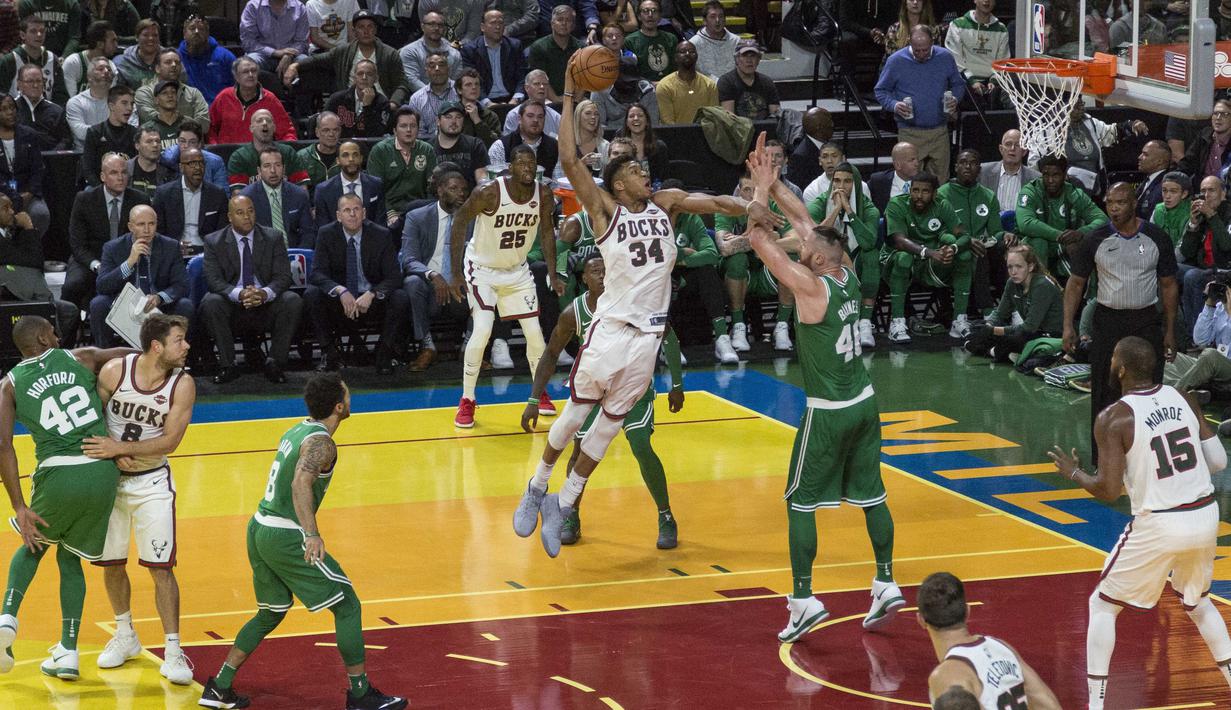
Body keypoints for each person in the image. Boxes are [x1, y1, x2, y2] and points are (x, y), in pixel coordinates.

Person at [513, 57, 781, 558]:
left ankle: (564, 504)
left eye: (644, 167)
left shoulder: (667, 203)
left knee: (610, 429)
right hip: (612, 327)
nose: (645, 173)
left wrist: (751, 206)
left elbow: (717, 203)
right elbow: (571, 164)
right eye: (637, 170)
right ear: (618, 184)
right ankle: (537, 486)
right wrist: (569, 95)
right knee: (575, 418)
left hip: (650, 338)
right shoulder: (606, 211)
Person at [742, 134, 904, 641]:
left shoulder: (809, 288)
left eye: (807, 248)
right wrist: (774, 182)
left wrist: (758, 198)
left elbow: (759, 240)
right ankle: (885, 582)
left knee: (799, 502)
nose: (803, 242)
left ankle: (804, 598)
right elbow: (803, 223)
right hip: (865, 401)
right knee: (873, 495)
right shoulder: (847, 274)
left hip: (828, 410)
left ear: (817, 260)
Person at [197, 374, 408, 710]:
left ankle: (219, 687)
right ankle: (360, 695)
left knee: (270, 612)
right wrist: (311, 533)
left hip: (259, 526)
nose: (351, 397)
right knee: (348, 604)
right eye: (348, 393)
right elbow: (299, 483)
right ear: (339, 406)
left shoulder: (297, 429)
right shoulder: (323, 443)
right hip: (285, 533)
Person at [1049, 336, 1231, 710]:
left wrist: (1075, 473)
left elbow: (1109, 490)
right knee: (1197, 604)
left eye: (1113, 357)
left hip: (1161, 523)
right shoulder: (1183, 397)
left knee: (1102, 604)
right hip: (1204, 513)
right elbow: (1218, 462)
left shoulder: (1114, 417)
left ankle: (1096, 706)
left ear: (1120, 369)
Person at [522, 254, 685, 547]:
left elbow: (668, 337)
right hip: (597, 390)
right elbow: (550, 354)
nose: (600, 275)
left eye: (605, 270)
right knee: (577, 450)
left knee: (640, 445)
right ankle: (569, 513)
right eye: (594, 271)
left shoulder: (635, 301)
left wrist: (676, 384)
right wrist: (534, 398)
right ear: (584, 279)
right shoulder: (574, 313)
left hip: (633, 388)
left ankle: (666, 516)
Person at [0, 316, 130, 681]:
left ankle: (7, 616)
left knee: (33, 542)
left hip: (59, 472)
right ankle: (68, 651)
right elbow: (132, 358)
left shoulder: (9, 385)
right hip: (102, 470)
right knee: (70, 558)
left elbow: (3, 445)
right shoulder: (81, 357)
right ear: (44, 337)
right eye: (54, 332)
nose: (57, 336)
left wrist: (19, 505)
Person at [79, 314, 194, 685]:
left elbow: (171, 442)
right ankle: (125, 634)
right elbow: (89, 418)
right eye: (179, 340)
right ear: (156, 346)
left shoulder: (183, 384)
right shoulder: (115, 371)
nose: (187, 346)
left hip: (151, 483)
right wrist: (113, 454)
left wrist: (122, 446)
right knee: (111, 563)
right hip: (109, 481)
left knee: (161, 568)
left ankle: (174, 649)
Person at [1063, 183, 1179, 464]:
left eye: (1120, 202)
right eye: (1109, 203)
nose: (1114, 208)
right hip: (1108, 321)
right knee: (1104, 392)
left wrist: (1170, 332)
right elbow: (1076, 284)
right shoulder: (1095, 238)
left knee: (1149, 390)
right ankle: (1104, 460)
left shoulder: (1156, 237)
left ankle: (1149, 458)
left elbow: (1169, 285)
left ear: (1134, 203)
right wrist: (1068, 326)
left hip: (1145, 321)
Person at [446, 145, 559, 428]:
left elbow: (546, 231)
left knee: (535, 335)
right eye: (522, 164)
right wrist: (456, 273)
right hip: (482, 269)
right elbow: (459, 222)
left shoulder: (543, 194)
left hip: (517, 272)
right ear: (510, 167)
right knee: (482, 329)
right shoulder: (489, 192)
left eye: (532, 164)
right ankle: (467, 399)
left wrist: (554, 273)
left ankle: (537, 394)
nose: (528, 169)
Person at [200, 195, 304, 385]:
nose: (247, 217)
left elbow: (283, 277)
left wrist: (264, 293)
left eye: (250, 211)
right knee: (211, 301)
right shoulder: (213, 241)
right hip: (233, 306)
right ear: (229, 217)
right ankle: (228, 365)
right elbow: (214, 281)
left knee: (292, 300)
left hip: (265, 305)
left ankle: (275, 363)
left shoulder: (273, 237)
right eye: (240, 213)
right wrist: (240, 294)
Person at [917, 571, 1060, 708]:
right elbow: (1048, 704)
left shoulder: (947, 676)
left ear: (921, 620)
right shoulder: (1001, 647)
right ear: (967, 612)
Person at [307, 193, 409, 374]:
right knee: (312, 294)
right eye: (347, 210)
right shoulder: (326, 234)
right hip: (341, 301)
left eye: (356, 210)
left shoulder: (381, 235)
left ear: (364, 213)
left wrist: (373, 294)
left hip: (370, 300)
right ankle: (328, 353)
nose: (352, 214)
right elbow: (316, 274)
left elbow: (394, 276)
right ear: (339, 216)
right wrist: (340, 290)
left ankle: (385, 352)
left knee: (400, 297)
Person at [881, 172, 972, 344]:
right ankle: (897, 322)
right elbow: (898, 241)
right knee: (903, 258)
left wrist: (953, 248)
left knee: (965, 255)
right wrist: (928, 252)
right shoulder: (897, 204)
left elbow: (964, 236)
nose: (919, 196)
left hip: (929, 261)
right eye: (915, 190)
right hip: (895, 261)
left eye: (925, 191)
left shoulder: (942, 205)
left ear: (935, 193)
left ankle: (959, 320)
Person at [400, 163, 473, 373]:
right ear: (440, 190)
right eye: (453, 188)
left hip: (462, 288)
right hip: (430, 287)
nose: (460, 194)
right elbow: (409, 259)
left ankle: (470, 347)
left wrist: (460, 278)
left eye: (464, 190)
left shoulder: (473, 219)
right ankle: (427, 347)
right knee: (412, 282)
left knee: (487, 283)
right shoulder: (417, 217)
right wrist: (433, 275)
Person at [89, 204, 195, 345]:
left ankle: (179, 358)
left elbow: (182, 285)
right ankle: (105, 357)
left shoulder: (170, 246)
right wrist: (129, 263)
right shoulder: (113, 247)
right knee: (98, 304)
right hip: (125, 306)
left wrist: (159, 297)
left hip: (158, 306)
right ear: (130, 226)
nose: (147, 230)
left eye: (151, 224)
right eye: (141, 224)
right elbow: (102, 286)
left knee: (185, 305)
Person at [874, 25, 965, 182]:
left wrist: (955, 99)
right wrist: (894, 105)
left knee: (941, 182)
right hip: (909, 132)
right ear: (909, 42)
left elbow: (958, 84)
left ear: (933, 42)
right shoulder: (896, 61)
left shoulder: (945, 57)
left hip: (939, 132)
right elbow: (880, 90)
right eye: (917, 50)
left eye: (926, 50)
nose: (922, 54)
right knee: (910, 182)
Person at [66, 153, 152, 310]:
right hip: (91, 259)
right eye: (114, 173)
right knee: (73, 285)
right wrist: (97, 265)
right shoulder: (84, 199)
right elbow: (77, 244)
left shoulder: (140, 200)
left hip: (128, 260)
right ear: (102, 176)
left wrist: (127, 263)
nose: (120, 177)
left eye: (124, 172)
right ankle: (70, 329)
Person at [809, 161, 879, 348]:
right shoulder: (820, 201)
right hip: (826, 261)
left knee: (871, 255)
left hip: (856, 258)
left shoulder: (868, 207)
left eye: (847, 181)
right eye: (837, 181)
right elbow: (813, 239)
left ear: (855, 184)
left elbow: (868, 242)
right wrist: (836, 210)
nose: (841, 186)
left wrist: (849, 211)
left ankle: (865, 323)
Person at [283, 9, 410, 110]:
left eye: (370, 26)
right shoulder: (343, 51)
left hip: (381, 106)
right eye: (361, 27)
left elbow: (401, 84)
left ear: (376, 30)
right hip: (348, 106)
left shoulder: (389, 53)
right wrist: (294, 66)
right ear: (354, 31)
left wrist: (392, 104)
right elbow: (317, 60)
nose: (366, 31)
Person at [964, 245, 1064, 362]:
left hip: (1049, 335)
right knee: (975, 331)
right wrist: (988, 326)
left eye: (1018, 266)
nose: (1013, 272)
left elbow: (1029, 327)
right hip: (1029, 333)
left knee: (1013, 339)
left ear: (1030, 266)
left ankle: (993, 351)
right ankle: (1003, 352)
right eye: (1010, 267)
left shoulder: (1041, 286)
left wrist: (993, 331)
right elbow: (1000, 313)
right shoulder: (1012, 283)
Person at [940, 148, 1011, 313]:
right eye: (963, 163)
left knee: (1009, 251)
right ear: (956, 167)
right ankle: (987, 310)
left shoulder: (988, 196)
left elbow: (995, 232)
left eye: (972, 163)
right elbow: (940, 231)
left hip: (982, 248)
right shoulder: (942, 195)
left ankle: (1013, 309)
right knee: (979, 253)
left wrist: (1006, 235)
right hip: (954, 249)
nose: (967, 167)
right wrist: (966, 241)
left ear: (979, 169)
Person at [1016, 154, 1108, 277]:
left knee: (1085, 244)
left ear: (1065, 175)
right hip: (1038, 247)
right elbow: (1025, 223)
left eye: (1056, 175)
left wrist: (1080, 233)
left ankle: (1087, 295)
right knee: (1039, 242)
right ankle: (1036, 289)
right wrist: (1061, 236)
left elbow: (1103, 220)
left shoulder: (1074, 193)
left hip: (1066, 247)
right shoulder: (1030, 191)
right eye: (1046, 174)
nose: (1050, 180)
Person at [367, 106, 437, 228]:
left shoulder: (427, 150)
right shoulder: (380, 151)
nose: (408, 130)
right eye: (403, 126)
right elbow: (375, 188)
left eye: (413, 126)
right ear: (394, 130)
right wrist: (389, 212)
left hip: (419, 209)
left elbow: (433, 187)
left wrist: (428, 212)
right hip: (388, 212)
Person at [1179, 176, 1231, 339]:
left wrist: (1212, 215)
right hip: (1203, 268)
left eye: (1211, 190)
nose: (1206, 195)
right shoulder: (1200, 216)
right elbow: (1187, 252)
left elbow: (1227, 246)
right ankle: (1176, 332)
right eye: (1203, 191)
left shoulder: (1228, 214)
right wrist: (1193, 224)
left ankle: (1199, 338)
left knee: (1192, 277)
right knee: (1169, 268)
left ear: (1223, 193)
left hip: (1224, 270)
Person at [153, 147, 229, 255]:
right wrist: (173, 247)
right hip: (175, 252)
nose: (198, 168)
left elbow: (223, 231)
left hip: (207, 252)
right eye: (192, 163)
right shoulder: (164, 194)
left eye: (201, 163)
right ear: (181, 167)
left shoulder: (217, 194)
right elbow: (158, 231)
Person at [208, 56, 298, 145]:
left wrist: (287, 151)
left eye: (253, 71)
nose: (250, 75)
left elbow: (286, 131)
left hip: (260, 155)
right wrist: (215, 148)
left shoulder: (270, 99)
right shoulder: (223, 97)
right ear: (236, 77)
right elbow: (211, 128)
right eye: (245, 72)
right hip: (227, 153)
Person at [240, 147, 315, 249]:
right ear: (259, 170)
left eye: (278, 165)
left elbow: (308, 233)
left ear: (284, 169)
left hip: (294, 255)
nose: (273, 171)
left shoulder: (299, 195)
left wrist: (300, 255)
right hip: (261, 258)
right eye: (267, 166)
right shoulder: (247, 197)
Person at [0, 94, 49, 240]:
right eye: (3, 109)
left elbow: (37, 169)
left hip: (28, 193)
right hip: (2, 194)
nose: (10, 112)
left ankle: (30, 249)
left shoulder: (29, 135)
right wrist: (13, 197)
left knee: (41, 213)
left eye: (12, 108)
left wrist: (30, 193)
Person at [943, 0, 1009, 107]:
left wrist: (994, 80)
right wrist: (972, 81)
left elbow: (1002, 61)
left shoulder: (1001, 29)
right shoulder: (957, 25)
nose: (987, 1)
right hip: (964, 82)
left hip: (993, 84)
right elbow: (954, 59)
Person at [226, 108, 310, 191]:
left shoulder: (288, 152)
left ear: (274, 128)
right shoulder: (239, 157)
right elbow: (238, 195)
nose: (265, 123)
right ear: (251, 128)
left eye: (268, 121)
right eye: (259, 121)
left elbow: (302, 188)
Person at [133, 47, 210, 132]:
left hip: (188, 143)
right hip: (157, 142)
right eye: (168, 62)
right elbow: (151, 121)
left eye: (177, 62)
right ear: (157, 68)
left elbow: (204, 124)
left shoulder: (193, 93)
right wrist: (187, 127)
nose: (174, 65)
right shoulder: (145, 93)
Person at [314, 141, 385, 230]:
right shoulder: (324, 190)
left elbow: (381, 222)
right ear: (338, 161)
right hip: (336, 241)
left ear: (361, 158)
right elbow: (323, 228)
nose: (351, 159)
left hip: (371, 240)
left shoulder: (376, 184)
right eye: (345, 155)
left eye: (355, 155)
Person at [460, 10, 526, 105]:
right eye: (493, 23)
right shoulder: (470, 50)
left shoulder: (514, 46)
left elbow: (522, 77)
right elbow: (471, 82)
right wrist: (487, 103)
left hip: (512, 99)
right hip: (483, 101)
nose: (498, 27)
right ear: (483, 27)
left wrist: (515, 99)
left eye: (501, 23)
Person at [66, 56, 129, 151]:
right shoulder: (75, 102)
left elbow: (131, 130)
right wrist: (115, 130)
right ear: (89, 77)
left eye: (109, 69)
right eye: (101, 69)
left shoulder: (123, 101)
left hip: (117, 153)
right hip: (84, 155)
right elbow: (81, 133)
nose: (107, 71)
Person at [0, 16, 68, 105]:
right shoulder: (9, 60)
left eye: (42, 31)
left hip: (47, 114)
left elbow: (61, 95)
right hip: (16, 114)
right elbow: (2, 94)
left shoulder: (52, 59)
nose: (39, 35)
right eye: (33, 31)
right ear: (22, 35)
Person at [82, 84, 138, 185]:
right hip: (100, 188)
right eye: (124, 103)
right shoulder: (95, 132)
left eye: (132, 104)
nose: (130, 108)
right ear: (111, 106)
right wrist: (104, 192)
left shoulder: (135, 134)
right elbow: (88, 169)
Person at [489, 100, 559, 177]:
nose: (535, 120)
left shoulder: (555, 146)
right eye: (530, 116)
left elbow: (559, 181)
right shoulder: (500, 146)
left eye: (540, 117)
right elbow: (495, 182)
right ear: (519, 119)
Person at [178, 13, 237, 105]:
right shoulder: (176, 58)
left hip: (219, 111)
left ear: (207, 33)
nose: (197, 32)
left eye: (201, 29)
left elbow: (239, 87)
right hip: (188, 113)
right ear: (184, 34)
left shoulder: (225, 56)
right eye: (192, 28)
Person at [977, 129, 1038, 217]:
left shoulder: (1035, 178)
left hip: (1020, 229)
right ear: (1001, 149)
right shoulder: (982, 172)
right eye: (1008, 144)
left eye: (1017, 145)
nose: (1012, 148)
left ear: (1024, 151)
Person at [240, 0, 310, 76]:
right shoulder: (253, 6)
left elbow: (302, 41)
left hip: (292, 56)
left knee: (304, 61)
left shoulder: (300, 8)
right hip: (263, 55)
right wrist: (275, 52)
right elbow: (248, 41)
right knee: (250, 62)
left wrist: (288, 55)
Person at [528, 5, 583, 101]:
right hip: (546, 98)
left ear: (573, 25)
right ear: (552, 23)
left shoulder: (581, 48)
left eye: (568, 20)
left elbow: (584, 79)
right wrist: (556, 100)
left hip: (575, 98)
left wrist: (575, 100)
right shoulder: (539, 47)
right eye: (560, 19)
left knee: (588, 108)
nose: (564, 23)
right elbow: (540, 78)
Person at [326, 60, 391, 140]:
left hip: (369, 147)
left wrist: (367, 107)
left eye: (369, 74)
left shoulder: (382, 103)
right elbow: (325, 126)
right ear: (354, 77)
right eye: (360, 74)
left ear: (376, 78)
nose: (364, 77)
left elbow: (376, 135)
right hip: (340, 146)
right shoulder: (336, 99)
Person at [656, 40, 717, 125]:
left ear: (697, 56)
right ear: (675, 57)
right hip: (675, 135)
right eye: (682, 51)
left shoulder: (709, 85)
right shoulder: (664, 86)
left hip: (704, 134)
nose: (687, 54)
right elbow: (668, 122)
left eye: (692, 51)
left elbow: (713, 118)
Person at [399, 11, 462, 94]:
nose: (436, 28)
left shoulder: (454, 53)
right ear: (422, 27)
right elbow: (412, 81)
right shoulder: (409, 51)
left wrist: (446, 97)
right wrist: (435, 96)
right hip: (419, 100)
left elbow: (457, 81)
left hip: (450, 99)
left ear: (444, 29)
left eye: (440, 25)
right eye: (431, 24)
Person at [13, 62, 69, 151]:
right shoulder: (11, 110)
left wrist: (51, 156)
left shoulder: (57, 111)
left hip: (49, 160)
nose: (35, 85)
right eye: (30, 81)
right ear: (19, 84)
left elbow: (65, 140)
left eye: (39, 81)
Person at [593, 56, 659, 131]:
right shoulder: (600, 90)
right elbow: (598, 126)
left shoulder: (648, 91)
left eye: (631, 82)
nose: (628, 86)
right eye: (624, 81)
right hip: (609, 138)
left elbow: (653, 125)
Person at [433, 101, 489, 187]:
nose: (453, 121)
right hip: (436, 198)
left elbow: (482, 179)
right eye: (448, 117)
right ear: (438, 121)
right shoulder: (428, 148)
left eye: (458, 117)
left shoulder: (475, 145)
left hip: (469, 198)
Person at [718, 40, 779, 120]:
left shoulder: (767, 82)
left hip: (765, 129)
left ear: (758, 60)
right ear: (737, 59)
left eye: (753, 56)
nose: (749, 60)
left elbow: (775, 115)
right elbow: (729, 119)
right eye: (744, 56)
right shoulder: (726, 82)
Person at [407, 51, 459, 139]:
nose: (437, 69)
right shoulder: (416, 99)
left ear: (448, 69)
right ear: (426, 71)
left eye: (441, 65)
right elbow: (417, 132)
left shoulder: (460, 91)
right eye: (432, 66)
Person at [61, 19, 118, 98]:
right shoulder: (73, 62)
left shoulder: (111, 67)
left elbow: (109, 100)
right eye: (113, 41)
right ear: (100, 44)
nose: (116, 45)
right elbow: (70, 99)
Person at [1178, 98, 1231, 181]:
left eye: (1225, 114)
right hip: (1201, 189)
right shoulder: (1204, 135)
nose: (1218, 118)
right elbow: (1187, 164)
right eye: (1215, 113)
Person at [624, 0, 675, 82]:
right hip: (643, 89)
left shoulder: (671, 38)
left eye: (654, 11)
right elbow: (631, 74)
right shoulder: (630, 41)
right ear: (639, 16)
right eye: (645, 11)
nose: (650, 15)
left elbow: (675, 70)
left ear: (660, 16)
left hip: (669, 87)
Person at [500, 69, 563, 137]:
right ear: (527, 88)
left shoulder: (556, 117)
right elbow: (509, 144)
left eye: (545, 84)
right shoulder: (513, 115)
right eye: (537, 84)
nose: (542, 87)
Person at [786, 107, 834, 192]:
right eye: (829, 121)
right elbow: (797, 191)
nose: (832, 124)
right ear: (819, 127)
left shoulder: (830, 146)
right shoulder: (800, 157)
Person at [688, 0, 739, 80]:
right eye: (713, 17)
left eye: (721, 16)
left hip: (731, 88)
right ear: (704, 21)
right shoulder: (694, 44)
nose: (717, 20)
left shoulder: (736, 41)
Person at [454, 67, 502, 146]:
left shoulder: (490, 115)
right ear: (459, 90)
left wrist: (477, 120)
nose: (474, 87)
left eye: (477, 84)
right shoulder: (452, 114)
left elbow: (495, 145)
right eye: (468, 85)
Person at [295, 111, 343, 188]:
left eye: (335, 130)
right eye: (326, 130)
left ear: (340, 131)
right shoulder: (302, 157)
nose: (331, 134)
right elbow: (301, 193)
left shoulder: (347, 154)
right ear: (317, 132)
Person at [18, 0, 82, 56]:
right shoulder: (27, 3)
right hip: (34, 54)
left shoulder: (72, 4)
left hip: (62, 54)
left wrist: (64, 57)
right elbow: (25, 35)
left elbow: (74, 37)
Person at [869, 141, 919, 213]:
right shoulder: (878, 182)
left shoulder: (927, 182)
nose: (917, 163)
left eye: (917, 159)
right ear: (898, 165)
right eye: (912, 160)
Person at [114, 19, 164, 88]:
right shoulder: (122, 62)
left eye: (155, 35)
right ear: (137, 37)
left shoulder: (171, 59)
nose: (151, 38)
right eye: (145, 35)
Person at [1150, 170, 1192, 248]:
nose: (1167, 196)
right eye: (1164, 191)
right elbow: (1151, 239)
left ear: (1184, 194)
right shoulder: (1158, 210)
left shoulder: (1191, 212)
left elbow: (1184, 248)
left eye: (1173, 191)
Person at [1136, 140, 1172, 220]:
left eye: (1145, 154)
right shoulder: (1148, 180)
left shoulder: (1164, 186)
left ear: (1159, 161)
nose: (1140, 157)